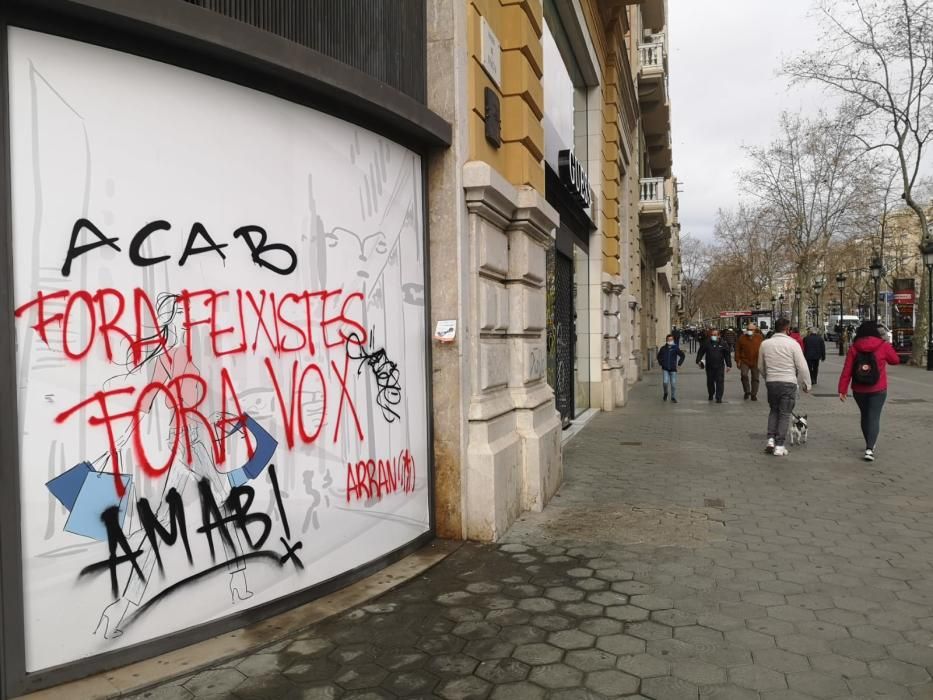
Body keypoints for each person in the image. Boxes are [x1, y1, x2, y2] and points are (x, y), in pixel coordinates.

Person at [838, 321, 900, 461]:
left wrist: (842, 389)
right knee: (874, 416)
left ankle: (869, 442)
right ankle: (869, 448)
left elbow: (847, 370)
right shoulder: (883, 345)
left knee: (865, 415)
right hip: (878, 388)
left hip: (859, 389)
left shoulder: (854, 348)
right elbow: (895, 360)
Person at [758, 317, 811, 456]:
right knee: (785, 414)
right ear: (787, 329)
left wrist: (767, 377)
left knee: (774, 411)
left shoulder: (765, 344)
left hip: (772, 382)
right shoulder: (793, 344)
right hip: (788, 382)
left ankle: (770, 439)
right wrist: (806, 383)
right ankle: (780, 445)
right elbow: (803, 366)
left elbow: (760, 366)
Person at [696, 329, 732, 403]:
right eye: (712, 335)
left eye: (715, 335)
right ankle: (711, 394)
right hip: (709, 365)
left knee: (720, 381)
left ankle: (719, 397)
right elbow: (701, 352)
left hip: (720, 366)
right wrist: (698, 360)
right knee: (710, 381)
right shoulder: (707, 343)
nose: (713, 336)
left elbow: (727, 355)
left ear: (719, 336)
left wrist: (729, 365)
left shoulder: (723, 344)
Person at [734, 323, 764, 400]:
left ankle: (754, 394)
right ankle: (747, 391)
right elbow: (737, 349)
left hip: (756, 361)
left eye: (751, 330)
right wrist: (737, 360)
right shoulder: (742, 338)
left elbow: (763, 348)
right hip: (744, 360)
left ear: (755, 330)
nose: (749, 331)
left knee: (755, 378)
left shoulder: (759, 337)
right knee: (744, 375)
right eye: (748, 329)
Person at [657, 334, 686, 403]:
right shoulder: (663, 348)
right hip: (665, 368)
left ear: (673, 340)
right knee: (665, 382)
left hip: (673, 369)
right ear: (666, 340)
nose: (670, 341)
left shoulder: (675, 348)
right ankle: (665, 393)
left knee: (673, 384)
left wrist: (679, 364)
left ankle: (673, 397)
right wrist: (662, 363)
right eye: (668, 340)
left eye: (671, 340)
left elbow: (682, 355)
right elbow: (659, 356)